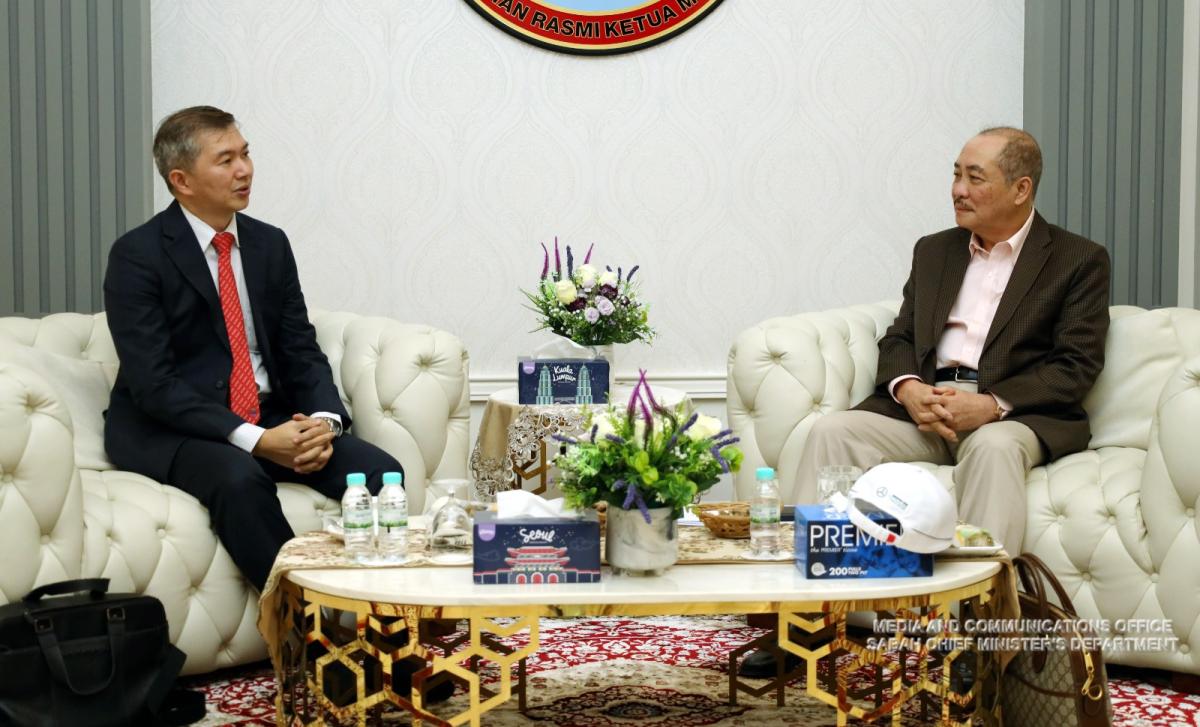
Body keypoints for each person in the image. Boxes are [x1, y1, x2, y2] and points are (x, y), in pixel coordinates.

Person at [740, 127, 1110, 678]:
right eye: (956, 174)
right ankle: (806, 624)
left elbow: (1075, 365)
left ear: (1021, 189)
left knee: (993, 449)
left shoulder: (1078, 260)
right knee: (832, 432)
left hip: (1010, 415)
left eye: (975, 177)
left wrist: (991, 404)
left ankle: (978, 645)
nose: (958, 189)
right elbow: (900, 338)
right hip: (927, 407)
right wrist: (909, 389)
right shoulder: (935, 250)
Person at [103, 106, 404, 592]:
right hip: (174, 428)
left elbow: (299, 348)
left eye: (245, 154)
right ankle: (303, 621)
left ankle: (382, 610)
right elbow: (154, 385)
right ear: (181, 180)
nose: (244, 170)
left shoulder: (269, 244)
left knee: (380, 471)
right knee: (239, 478)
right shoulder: (137, 255)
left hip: (268, 414)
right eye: (225, 160)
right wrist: (260, 441)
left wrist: (324, 422)